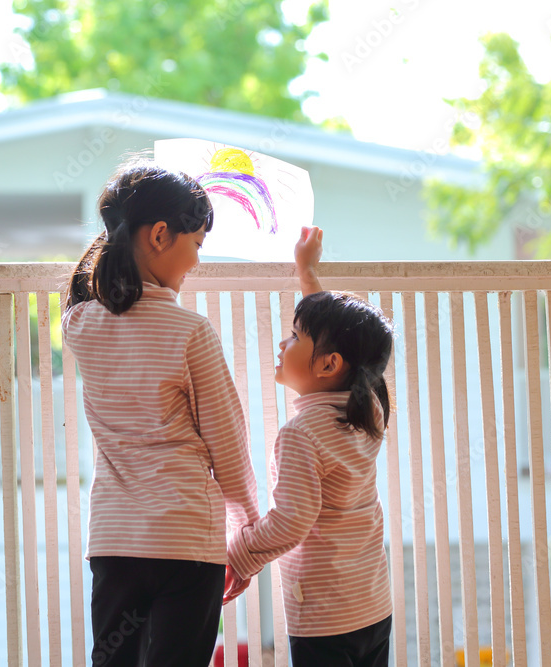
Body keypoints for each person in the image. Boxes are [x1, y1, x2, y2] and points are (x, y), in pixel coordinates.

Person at [62, 159, 260, 667]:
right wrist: (248, 534)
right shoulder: (190, 333)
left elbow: (85, 296)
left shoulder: (80, 324)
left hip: (114, 543)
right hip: (186, 541)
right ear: (158, 235)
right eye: (196, 244)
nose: (195, 261)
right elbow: (228, 444)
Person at [224, 226, 394, 666]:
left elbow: (291, 521)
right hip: (373, 605)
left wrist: (239, 554)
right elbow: (340, 338)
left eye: (295, 337)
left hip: (325, 616)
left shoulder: (301, 434)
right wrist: (308, 273)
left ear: (330, 364)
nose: (283, 343)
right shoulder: (369, 409)